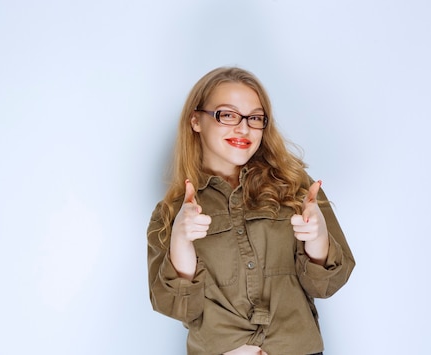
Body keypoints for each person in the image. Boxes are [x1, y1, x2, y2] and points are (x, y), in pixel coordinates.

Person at [147, 66, 355, 355]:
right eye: (227, 115)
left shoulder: (296, 188)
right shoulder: (172, 212)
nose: (243, 128)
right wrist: (181, 241)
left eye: (255, 118)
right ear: (196, 120)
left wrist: (318, 239)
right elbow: (180, 307)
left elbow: (327, 285)